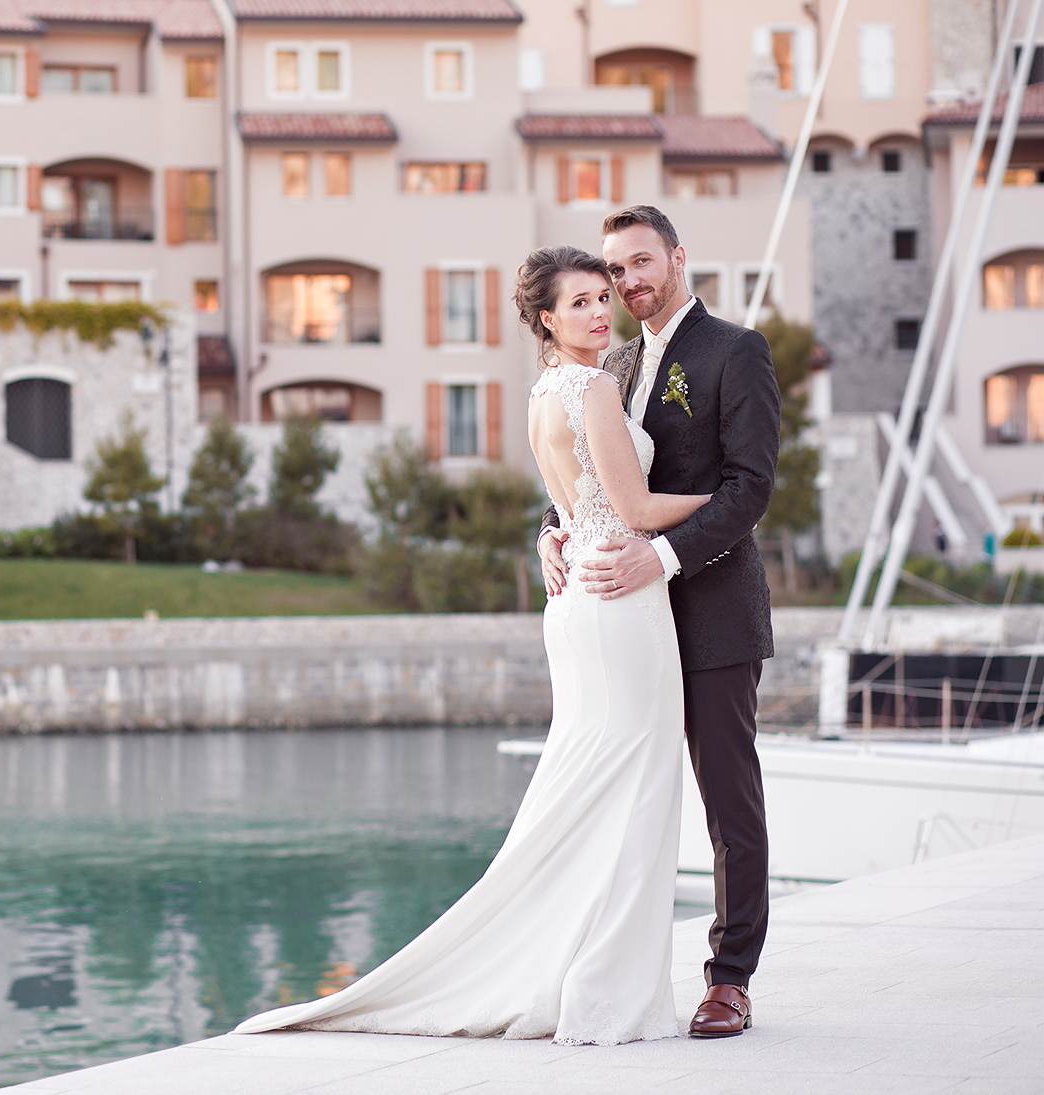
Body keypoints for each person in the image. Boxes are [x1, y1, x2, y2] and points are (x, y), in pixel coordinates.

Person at [232, 244, 719, 1046]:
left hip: (580, 601)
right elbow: (628, 504)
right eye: (582, 304)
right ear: (547, 319)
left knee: (588, 788)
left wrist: (555, 534)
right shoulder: (594, 384)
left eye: (605, 298)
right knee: (634, 790)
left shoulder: (542, 394)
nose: (602, 312)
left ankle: (570, 970)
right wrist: (731, 494)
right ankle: (604, 991)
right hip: (620, 599)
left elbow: (575, 501)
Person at [540, 206, 781, 1037]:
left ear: (679, 257)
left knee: (727, 801)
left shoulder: (735, 350)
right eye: (616, 271)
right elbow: (592, 468)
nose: (629, 282)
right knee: (626, 791)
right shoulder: (614, 361)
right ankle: (601, 961)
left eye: (642, 262)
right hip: (624, 616)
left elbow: (750, 488)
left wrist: (666, 557)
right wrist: (552, 530)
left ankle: (730, 977)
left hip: (709, 606)